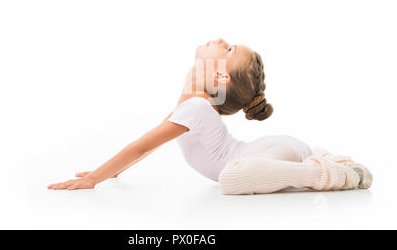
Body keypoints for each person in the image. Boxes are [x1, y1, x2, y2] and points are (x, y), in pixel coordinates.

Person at [48, 39, 372, 194]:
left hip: (267, 155)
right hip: (278, 150)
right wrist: (110, 173)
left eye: (228, 50)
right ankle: (329, 159)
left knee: (231, 180)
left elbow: (139, 146)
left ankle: (331, 174)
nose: (220, 41)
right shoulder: (195, 106)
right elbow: (147, 146)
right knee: (234, 177)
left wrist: (95, 179)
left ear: (219, 79)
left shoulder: (197, 108)